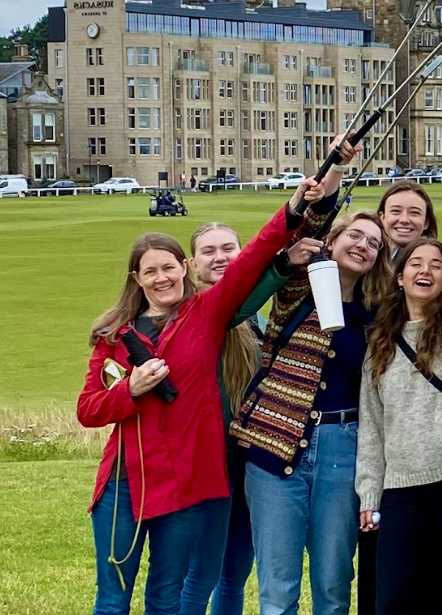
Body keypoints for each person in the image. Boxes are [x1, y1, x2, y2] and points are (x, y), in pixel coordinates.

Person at [77, 176, 327, 615]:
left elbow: (251, 261)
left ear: (183, 269)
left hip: (186, 481)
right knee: (112, 601)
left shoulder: (205, 314)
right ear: (137, 278)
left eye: (168, 267)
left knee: (167, 596)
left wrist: (292, 208)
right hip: (125, 481)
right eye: (150, 271)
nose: (161, 278)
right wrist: (129, 391)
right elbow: (88, 410)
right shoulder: (114, 335)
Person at [231, 146, 392, 615]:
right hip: (275, 442)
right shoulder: (299, 287)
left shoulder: (376, 315)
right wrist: (337, 167)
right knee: (278, 590)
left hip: (344, 449)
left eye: (373, 244)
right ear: (335, 241)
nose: (363, 245)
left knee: (333, 583)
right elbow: (315, 220)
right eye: (355, 236)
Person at [179, 223, 315, 615]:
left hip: (249, 460)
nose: (220, 257)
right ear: (192, 264)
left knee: (234, 575)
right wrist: (283, 262)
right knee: (199, 576)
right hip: (208, 465)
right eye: (209, 251)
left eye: (229, 249)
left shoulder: (252, 322)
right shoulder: (195, 313)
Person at [357, 236, 442, 615]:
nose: (426, 270)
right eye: (415, 263)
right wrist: (369, 493)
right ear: (399, 277)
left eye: (436, 265)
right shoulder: (379, 344)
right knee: (393, 599)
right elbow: (372, 425)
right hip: (402, 489)